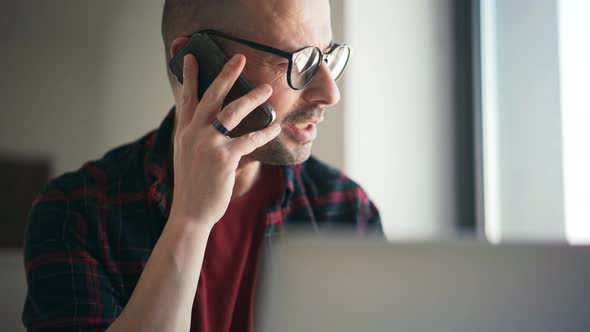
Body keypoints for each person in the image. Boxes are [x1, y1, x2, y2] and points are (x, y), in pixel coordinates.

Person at [22, 0, 381, 331]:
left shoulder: (347, 211)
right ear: (198, 62)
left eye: (327, 56)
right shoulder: (75, 214)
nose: (330, 93)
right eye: (300, 61)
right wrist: (190, 221)